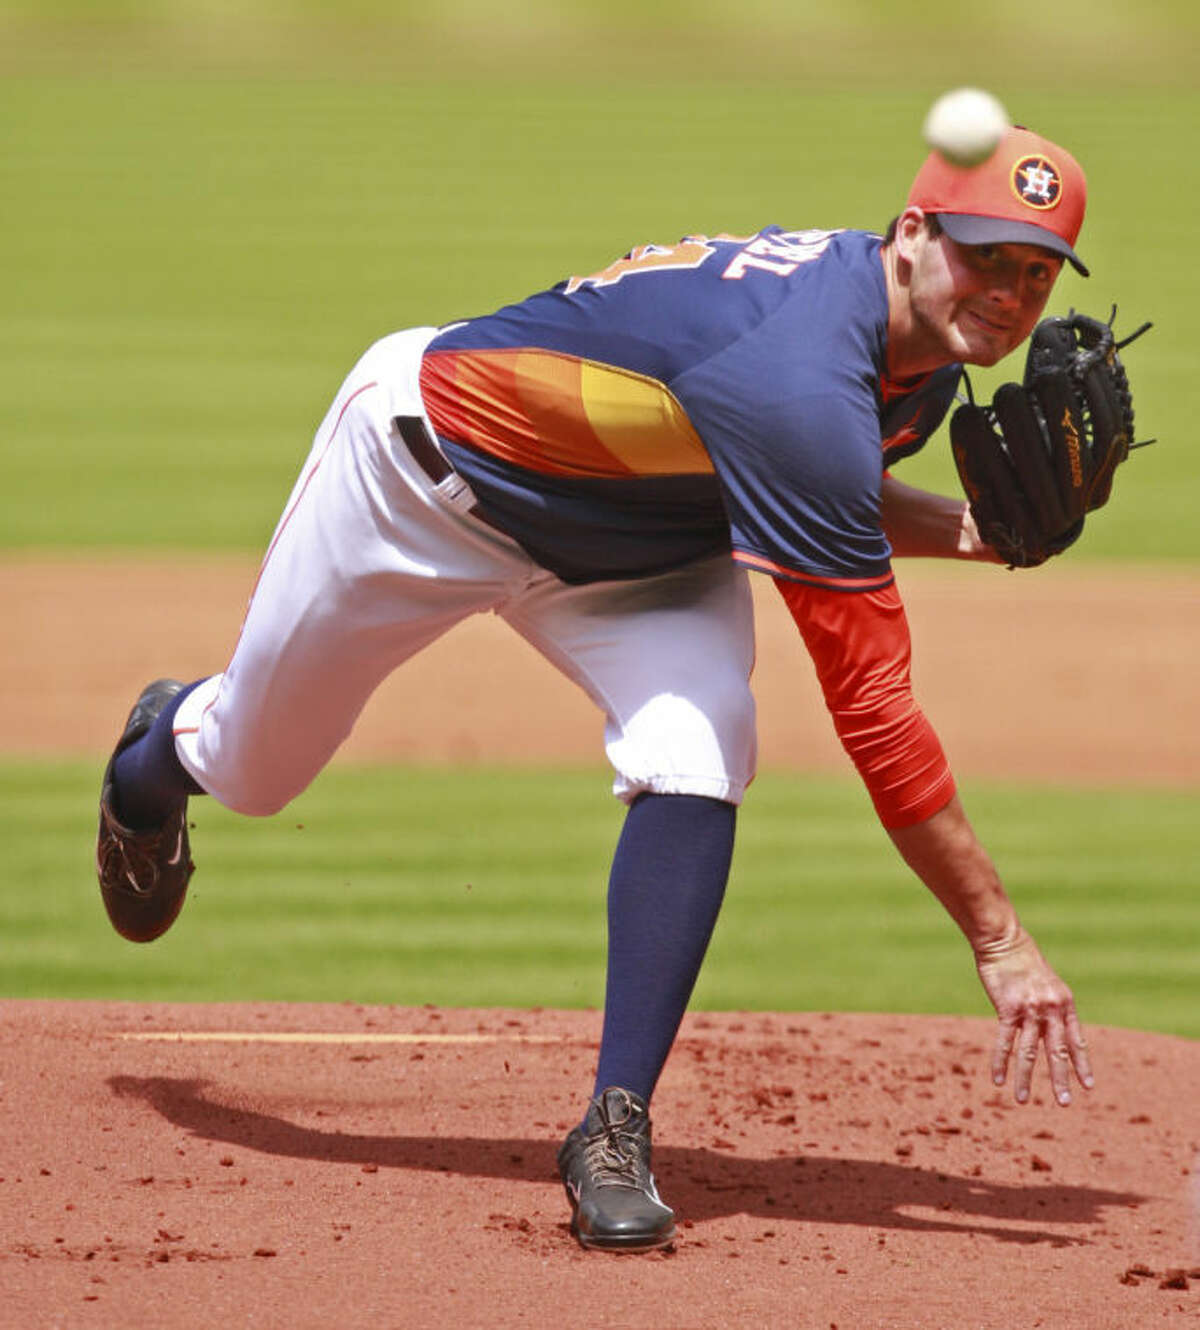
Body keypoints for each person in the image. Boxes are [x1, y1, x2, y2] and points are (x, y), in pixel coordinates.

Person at [96, 124, 1096, 1253]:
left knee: (702, 742)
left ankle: (613, 1128)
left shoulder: (903, 350)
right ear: (913, 233)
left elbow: (813, 483)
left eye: (1035, 271)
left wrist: (981, 534)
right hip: (424, 483)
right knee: (253, 767)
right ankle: (150, 758)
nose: (1009, 295)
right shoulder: (798, 370)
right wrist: (1000, 938)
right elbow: (872, 705)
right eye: (984, 255)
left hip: (645, 547)